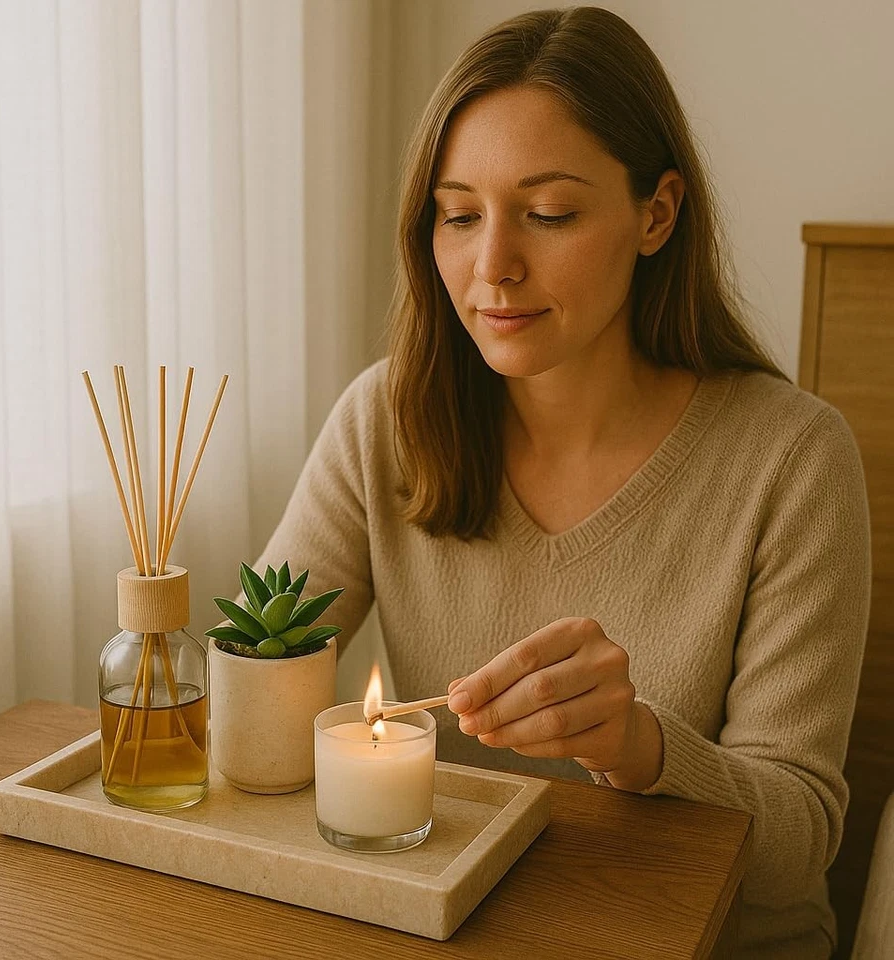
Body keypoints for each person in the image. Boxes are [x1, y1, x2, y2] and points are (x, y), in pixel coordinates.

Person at [242, 7, 870, 957]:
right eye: (459, 215)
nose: (492, 266)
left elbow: (798, 848)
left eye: (549, 214)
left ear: (656, 213)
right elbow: (257, 677)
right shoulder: (386, 422)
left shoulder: (792, 460)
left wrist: (638, 747)